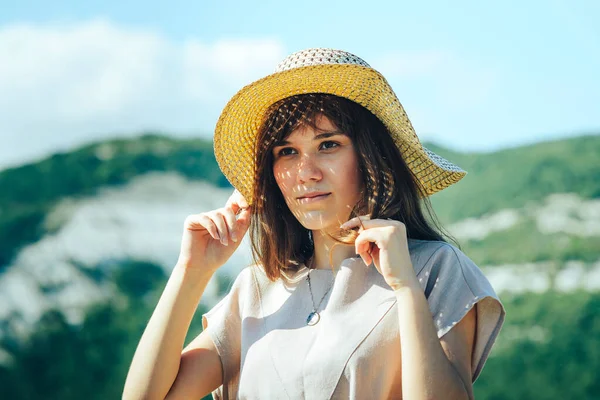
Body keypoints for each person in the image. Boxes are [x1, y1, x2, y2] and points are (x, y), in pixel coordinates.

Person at [123, 48, 505, 400]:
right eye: (287, 152)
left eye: (328, 145)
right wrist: (191, 271)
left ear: (371, 157)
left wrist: (405, 287)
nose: (305, 173)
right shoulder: (255, 290)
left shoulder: (432, 269)